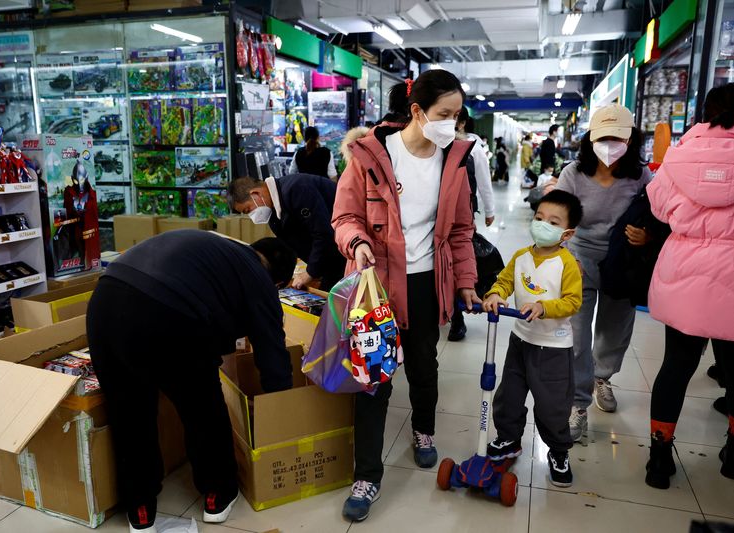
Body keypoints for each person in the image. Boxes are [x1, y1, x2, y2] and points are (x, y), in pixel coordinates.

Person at [332, 69, 479, 521]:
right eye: (444, 114)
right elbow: (345, 217)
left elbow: (460, 230)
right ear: (417, 111)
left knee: (424, 366)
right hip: (375, 282)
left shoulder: (454, 160)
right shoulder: (371, 156)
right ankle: (368, 476)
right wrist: (357, 245)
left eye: (457, 116)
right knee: (373, 380)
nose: (452, 125)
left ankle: (424, 430)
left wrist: (467, 282)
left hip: (426, 280)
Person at [87, 232, 297, 533]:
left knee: (129, 414)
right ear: (280, 282)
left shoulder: (220, 251)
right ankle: (217, 495)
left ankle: (140, 509)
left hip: (104, 305)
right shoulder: (259, 277)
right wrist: (280, 413)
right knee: (202, 408)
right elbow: (272, 351)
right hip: (167, 312)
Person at [644, 82, 734, 488]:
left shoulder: (680, 154)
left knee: (675, 368)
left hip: (684, 271)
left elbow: (659, 206)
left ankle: (659, 460)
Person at [555, 104, 652, 442]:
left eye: (617, 138)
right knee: (577, 336)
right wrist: (566, 256)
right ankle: (577, 404)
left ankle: (603, 377)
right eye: (603, 137)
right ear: (590, 139)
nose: (610, 144)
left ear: (631, 140)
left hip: (621, 262)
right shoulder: (573, 173)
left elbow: (655, 213)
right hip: (580, 259)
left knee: (615, 328)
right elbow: (557, 218)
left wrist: (646, 237)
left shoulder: (641, 176)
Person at [484, 189, 583, 487]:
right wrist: (495, 294)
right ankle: (509, 439)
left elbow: (572, 302)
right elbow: (504, 281)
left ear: (566, 233)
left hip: (553, 348)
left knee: (552, 406)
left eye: (552, 222)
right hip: (520, 341)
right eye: (539, 218)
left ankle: (558, 451)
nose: (542, 224)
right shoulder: (521, 256)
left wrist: (543, 307)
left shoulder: (567, 264)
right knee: (508, 396)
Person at [229, 174, 346, 291]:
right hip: (329, 262)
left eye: (248, 210)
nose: (252, 216)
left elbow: (323, 233)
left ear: (255, 194)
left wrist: (311, 272)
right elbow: (291, 246)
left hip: (345, 254)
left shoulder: (297, 189)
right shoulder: (274, 216)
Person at [448, 109, 496, 342]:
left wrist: (490, 210)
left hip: (464, 213)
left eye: (452, 116)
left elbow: (484, 180)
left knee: (458, 261)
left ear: (462, 123)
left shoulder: (473, 148)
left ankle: (457, 318)